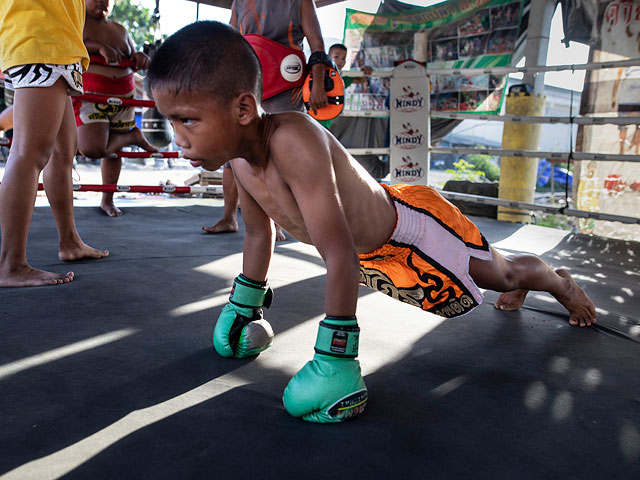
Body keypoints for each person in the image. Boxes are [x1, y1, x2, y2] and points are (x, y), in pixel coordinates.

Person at [147, 21, 597, 424]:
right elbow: (260, 232)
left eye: (187, 120)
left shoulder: (293, 140)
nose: (178, 138)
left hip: (415, 231)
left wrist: (334, 360)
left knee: (505, 273)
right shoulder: (240, 162)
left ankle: (559, 283)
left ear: (243, 110)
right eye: (171, 122)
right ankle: (519, 281)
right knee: (496, 277)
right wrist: (243, 307)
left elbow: (337, 250)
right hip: (372, 255)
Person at [0, 0, 109, 288]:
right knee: (27, 153)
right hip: (41, 38)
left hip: (59, 43)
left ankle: (70, 242)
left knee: (62, 154)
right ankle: (10, 264)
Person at [202, 0, 328, 240]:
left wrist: (319, 82)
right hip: (247, 81)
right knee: (234, 154)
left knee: (278, 155)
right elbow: (230, 39)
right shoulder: (240, 1)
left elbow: (317, 43)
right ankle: (229, 217)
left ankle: (278, 221)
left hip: (285, 86)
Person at [74, 0, 157, 217]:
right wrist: (97, 47)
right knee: (92, 147)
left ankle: (107, 199)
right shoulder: (76, 22)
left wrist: (140, 57)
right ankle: (132, 137)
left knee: (114, 153)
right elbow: (72, 46)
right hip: (91, 93)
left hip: (124, 94)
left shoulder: (119, 29)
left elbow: (133, 55)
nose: (102, 1)